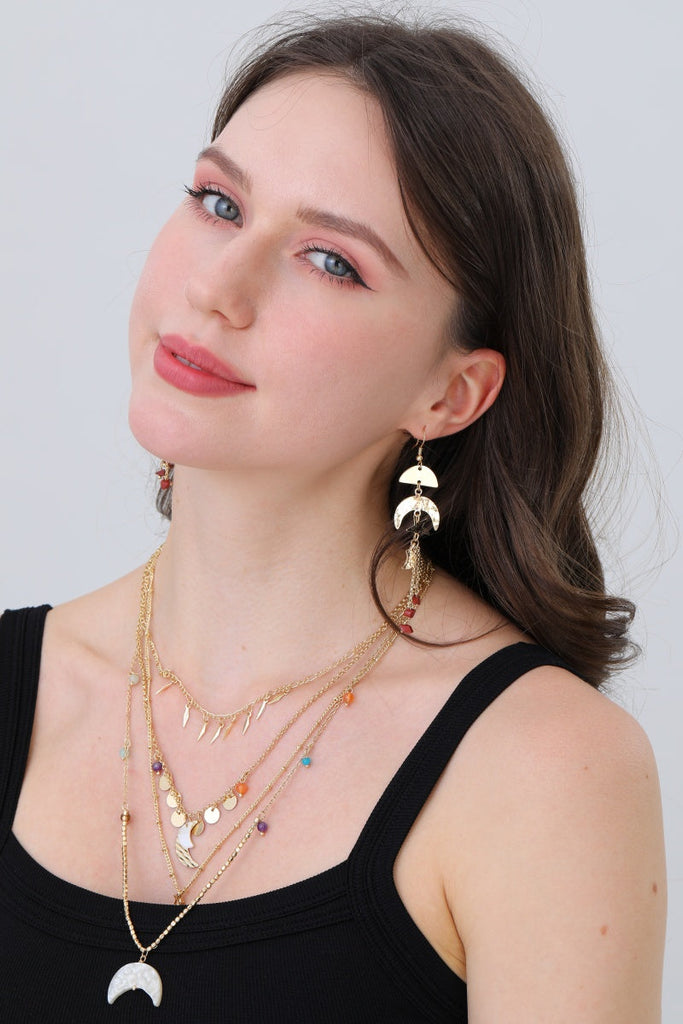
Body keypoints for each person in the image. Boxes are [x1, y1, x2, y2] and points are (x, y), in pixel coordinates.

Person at [0, 12, 666, 1022]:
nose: (216, 287)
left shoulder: (543, 770)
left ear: (450, 395)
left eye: (330, 261)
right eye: (218, 203)